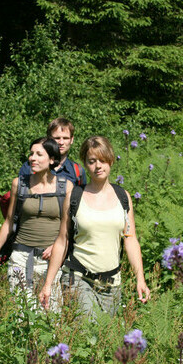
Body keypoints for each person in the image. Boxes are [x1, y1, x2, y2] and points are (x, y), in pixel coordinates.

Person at [39, 136, 150, 317]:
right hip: (78, 277)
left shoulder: (123, 197)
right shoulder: (75, 196)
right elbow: (62, 241)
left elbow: (130, 240)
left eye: (103, 160)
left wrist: (140, 279)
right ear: (85, 164)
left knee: (105, 338)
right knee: (85, 331)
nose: (98, 166)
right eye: (92, 161)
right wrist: (48, 284)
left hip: (111, 282)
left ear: (111, 160)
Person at [0, 138, 73, 309]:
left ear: (52, 159)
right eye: (31, 154)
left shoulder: (65, 187)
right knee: (21, 316)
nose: (33, 158)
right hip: (20, 258)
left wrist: (56, 247)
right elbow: (8, 223)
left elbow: (66, 231)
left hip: (50, 261)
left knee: (50, 317)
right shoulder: (20, 184)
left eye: (39, 154)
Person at [20, 118, 87, 186]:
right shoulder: (29, 168)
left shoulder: (77, 171)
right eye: (57, 138)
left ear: (71, 140)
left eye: (65, 138)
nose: (61, 142)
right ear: (48, 138)